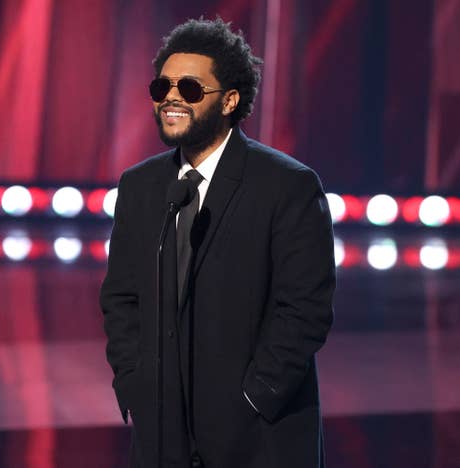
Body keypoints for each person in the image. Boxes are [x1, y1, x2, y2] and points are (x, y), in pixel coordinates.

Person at [100, 18, 335, 468]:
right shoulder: (141, 185)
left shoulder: (286, 185)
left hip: (257, 438)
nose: (170, 96)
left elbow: (305, 308)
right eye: (162, 85)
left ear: (229, 100)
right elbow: (121, 298)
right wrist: (134, 382)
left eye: (189, 88)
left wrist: (254, 398)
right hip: (162, 433)